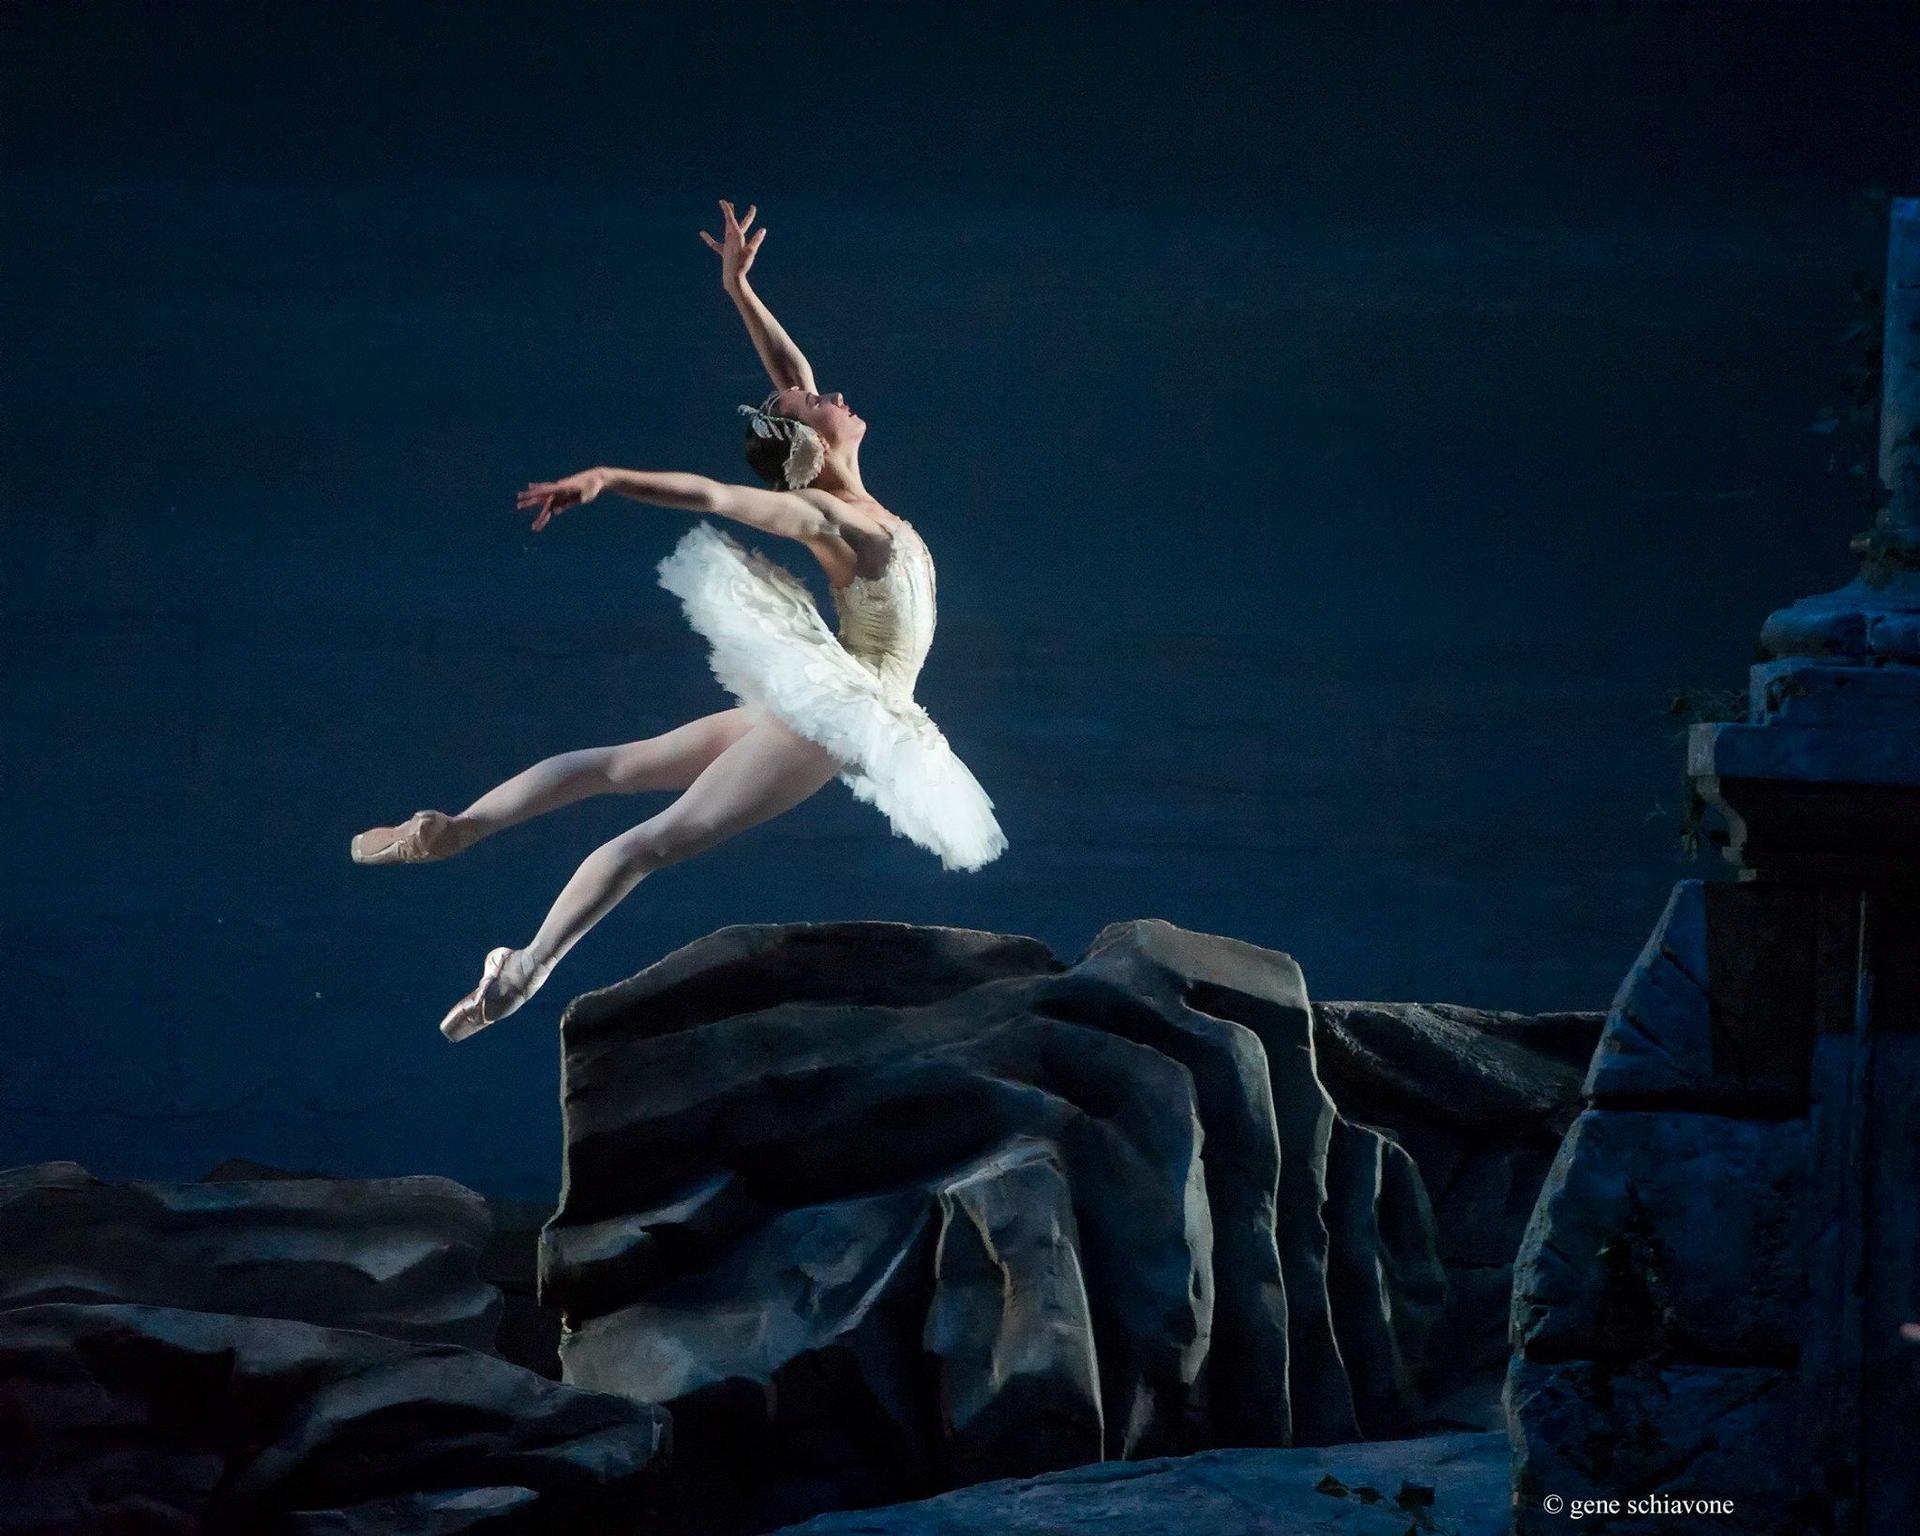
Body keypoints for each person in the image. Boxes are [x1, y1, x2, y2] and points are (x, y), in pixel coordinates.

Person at [350, 199, 1007, 1041]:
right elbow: (716, 495)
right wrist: (611, 478)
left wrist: (740, 289)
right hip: (842, 711)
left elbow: (790, 371)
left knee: (619, 767)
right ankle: (521, 973)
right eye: (814, 402)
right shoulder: (830, 518)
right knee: (654, 842)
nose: (830, 393)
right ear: (809, 443)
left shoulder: (852, 494)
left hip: (835, 699)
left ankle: (450, 832)